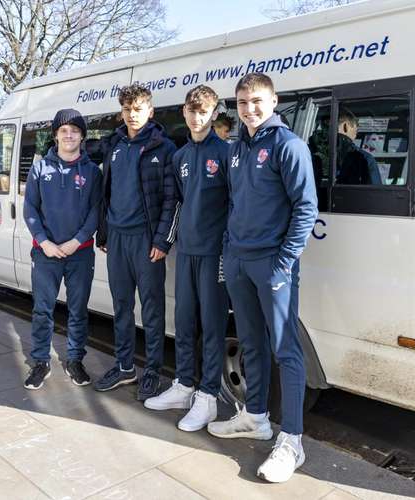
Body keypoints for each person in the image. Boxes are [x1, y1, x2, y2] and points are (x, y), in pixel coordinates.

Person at [207, 73, 318, 483]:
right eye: (241, 102)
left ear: (273, 102)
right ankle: (255, 417)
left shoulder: (289, 146)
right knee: (251, 343)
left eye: (256, 101)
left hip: (273, 263)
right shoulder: (237, 149)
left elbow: (306, 209)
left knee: (286, 350)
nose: (249, 109)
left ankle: (292, 441)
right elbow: (234, 204)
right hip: (238, 260)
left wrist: (284, 261)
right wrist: (228, 251)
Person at [143, 85, 230, 432]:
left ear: (214, 114)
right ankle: (183, 385)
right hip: (186, 252)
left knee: (212, 325)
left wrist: (228, 245)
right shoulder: (178, 157)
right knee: (183, 320)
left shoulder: (225, 154)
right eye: (192, 111)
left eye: (204, 112)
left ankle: (207, 397)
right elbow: (174, 204)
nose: (197, 118)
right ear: (184, 112)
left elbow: (236, 205)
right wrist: (165, 240)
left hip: (215, 254)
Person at [94, 84, 178, 401]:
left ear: (150, 111)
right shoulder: (114, 145)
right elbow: (106, 192)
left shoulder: (163, 148)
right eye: (127, 109)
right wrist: (103, 233)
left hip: (146, 241)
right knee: (121, 307)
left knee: (152, 310)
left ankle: (153, 371)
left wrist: (162, 241)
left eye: (139, 108)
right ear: (122, 112)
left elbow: (171, 201)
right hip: (116, 238)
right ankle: (125, 366)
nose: (132, 114)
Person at [23, 108, 102, 390]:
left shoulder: (92, 172)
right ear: (55, 135)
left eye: (74, 130)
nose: (69, 135)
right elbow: (30, 208)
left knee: (78, 310)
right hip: (45, 253)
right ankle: (40, 361)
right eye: (63, 130)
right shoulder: (40, 168)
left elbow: (96, 211)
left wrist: (75, 241)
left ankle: (74, 360)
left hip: (79, 253)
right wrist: (44, 242)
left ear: (82, 136)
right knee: (42, 310)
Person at [335, 108, 383, 185]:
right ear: (345, 126)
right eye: (356, 129)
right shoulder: (364, 158)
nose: (356, 135)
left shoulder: (312, 151)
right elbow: (375, 192)